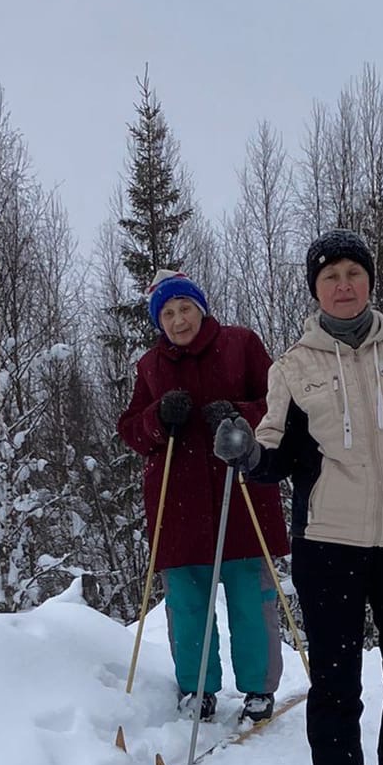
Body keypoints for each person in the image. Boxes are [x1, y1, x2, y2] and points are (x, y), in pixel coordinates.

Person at [213, 230, 383, 765]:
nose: (343, 284)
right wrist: (246, 452)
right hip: (329, 544)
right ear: (315, 290)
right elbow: (275, 455)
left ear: (370, 281)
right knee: (338, 682)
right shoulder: (293, 367)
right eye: (330, 276)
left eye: (352, 273)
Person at [117, 269, 288, 724]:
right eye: (168, 313)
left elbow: (278, 403)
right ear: (159, 321)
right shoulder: (150, 366)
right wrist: (158, 417)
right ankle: (197, 689)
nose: (178, 320)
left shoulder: (240, 344)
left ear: (201, 308)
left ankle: (258, 688)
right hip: (178, 505)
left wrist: (239, 414)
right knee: (188, 608)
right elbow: (131, 431)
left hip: (242, 494)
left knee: (252, 601)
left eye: (185, 308)